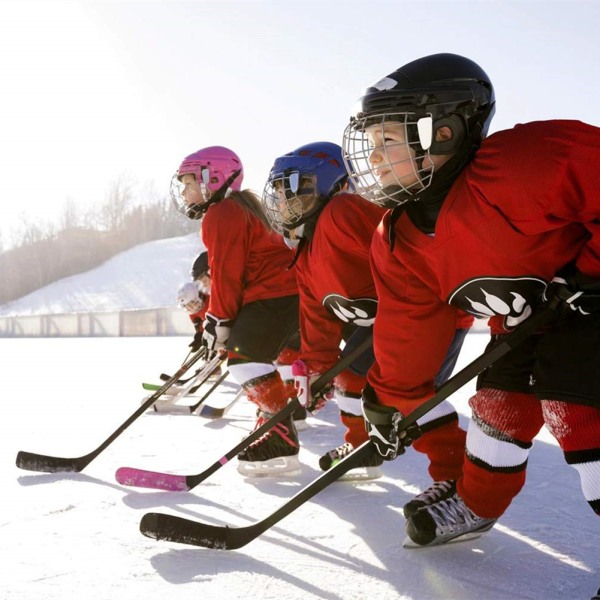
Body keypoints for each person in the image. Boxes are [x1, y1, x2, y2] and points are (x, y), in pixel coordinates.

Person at [342, 52, 600, 547]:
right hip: (529, 325)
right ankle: (476, 502)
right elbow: (408, 330)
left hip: (593, 306)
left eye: (386, 139)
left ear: (443, 132)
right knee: (497, 408)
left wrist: (590, 272)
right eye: (370, 142)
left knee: (578, 405)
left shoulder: (523, 165)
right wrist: (390, 396)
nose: (372, 156)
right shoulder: (399, 237)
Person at [262, 141, 472, 488]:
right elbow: (318, 318)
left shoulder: (344, 212)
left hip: (428, 311)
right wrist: (317, 371)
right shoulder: (306, 249)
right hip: (387, 322)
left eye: (299, 186)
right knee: (351, 375)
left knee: (403, 391)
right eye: (282, 191)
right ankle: (363, 447)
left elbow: (408, 252)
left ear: (335, 184)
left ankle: (458, 478)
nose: (287, 200)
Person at [171, 146, 302, 476]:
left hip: (274, 296)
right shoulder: (241, 208)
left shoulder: (223, 213)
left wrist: (218, 319)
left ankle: (280, 435)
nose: (184, 192)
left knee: (244, 360)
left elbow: (226, 272)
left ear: (211, 179)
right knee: (255, 360)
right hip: (285, 294)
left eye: (188, 183)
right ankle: (270, 424)